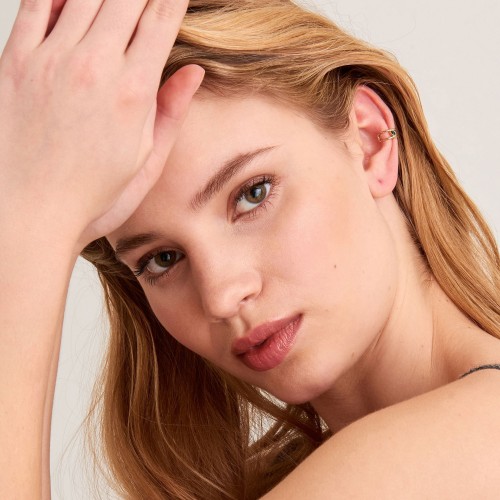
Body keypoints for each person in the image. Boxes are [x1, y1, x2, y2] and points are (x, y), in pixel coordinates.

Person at [0, 0, 499, 498]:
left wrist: (28, 225)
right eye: (162, 259)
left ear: (369, 143)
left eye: (252, 194)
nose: (220, 296)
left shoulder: (469, 440)